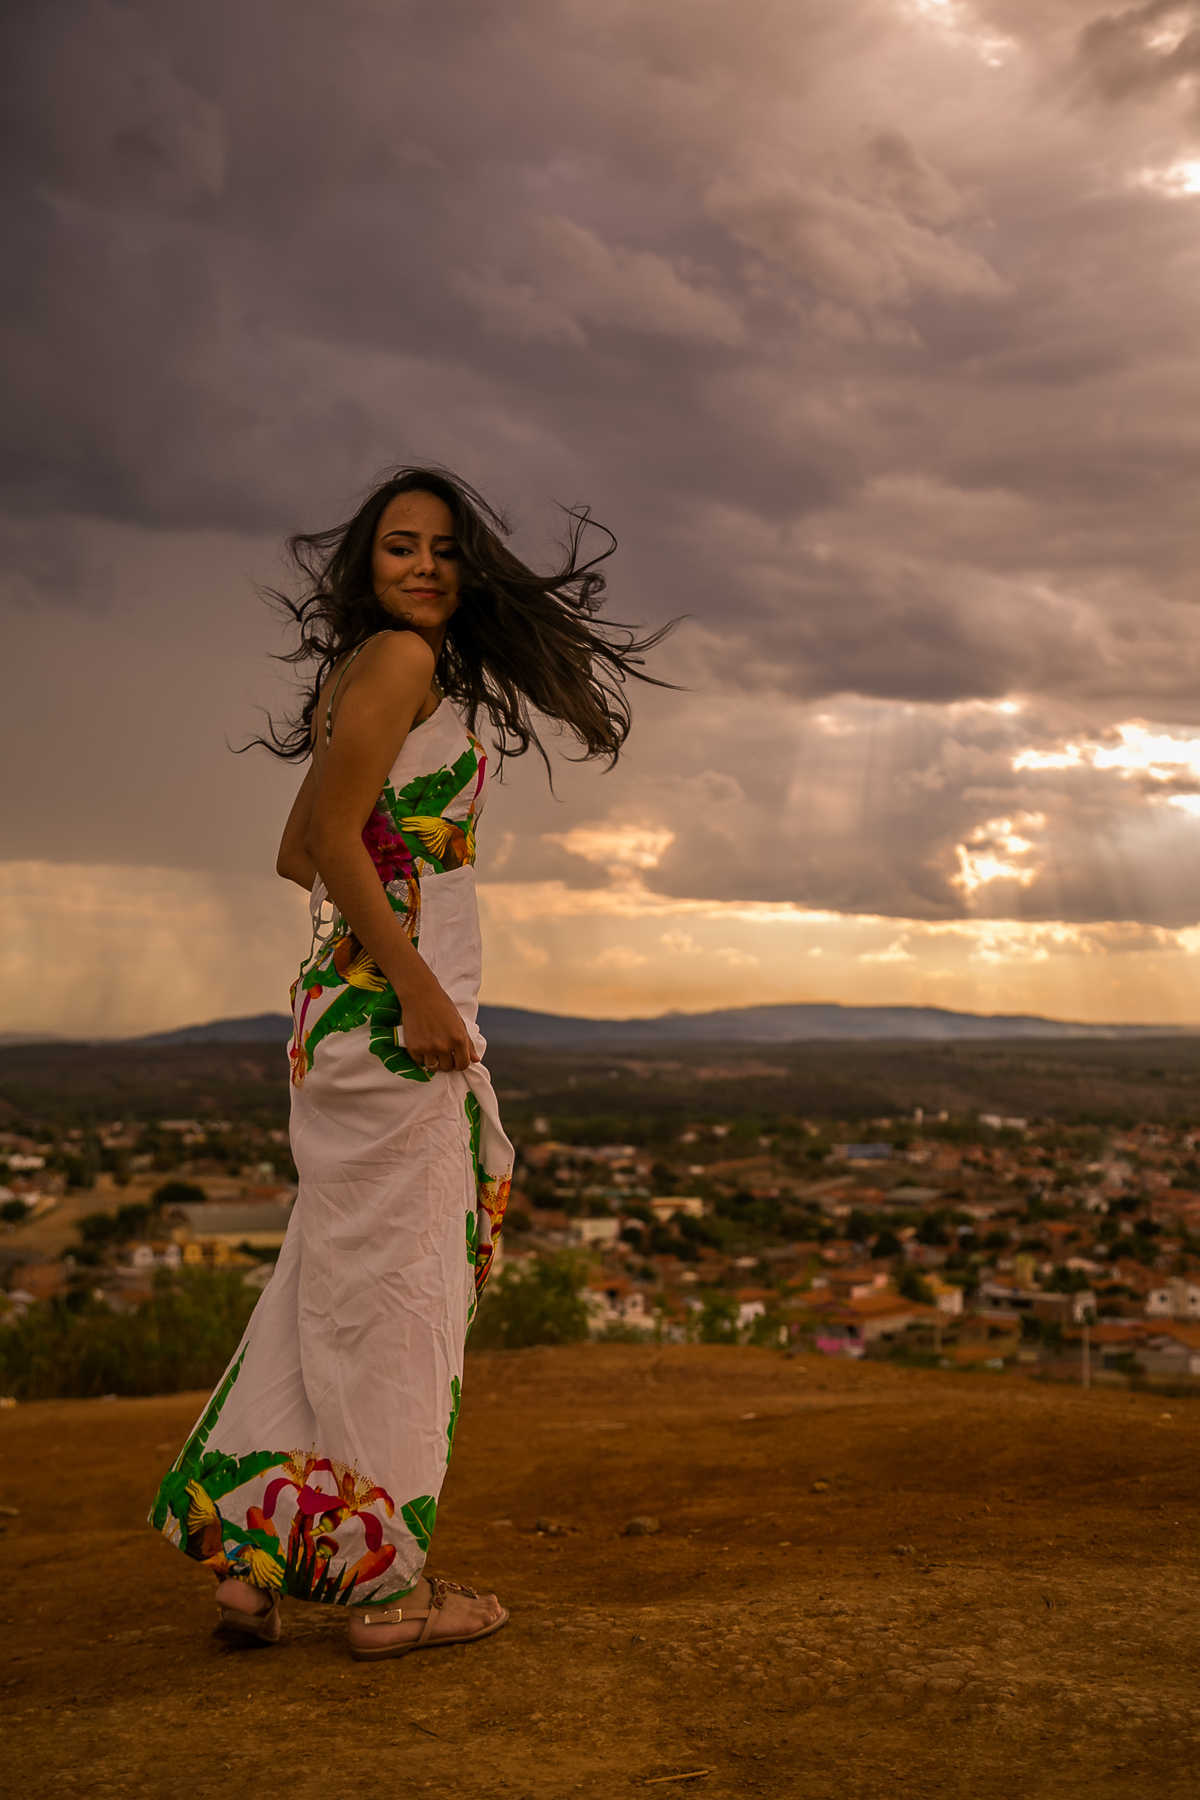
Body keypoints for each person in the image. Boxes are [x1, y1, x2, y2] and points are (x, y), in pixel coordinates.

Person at [149, 466, 669, 1661]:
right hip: (392, 1022)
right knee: (399, 1300)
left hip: (341, 1019)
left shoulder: (365, 676)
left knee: (326, 1285)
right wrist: (422, 982)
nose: (424, 566)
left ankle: (251, 1560)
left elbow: (299, 849)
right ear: (366, 568)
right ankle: (386, 1592)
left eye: (442, 548)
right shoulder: (398, 662)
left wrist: (385, 889)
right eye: (399, 547)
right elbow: (328, 842)